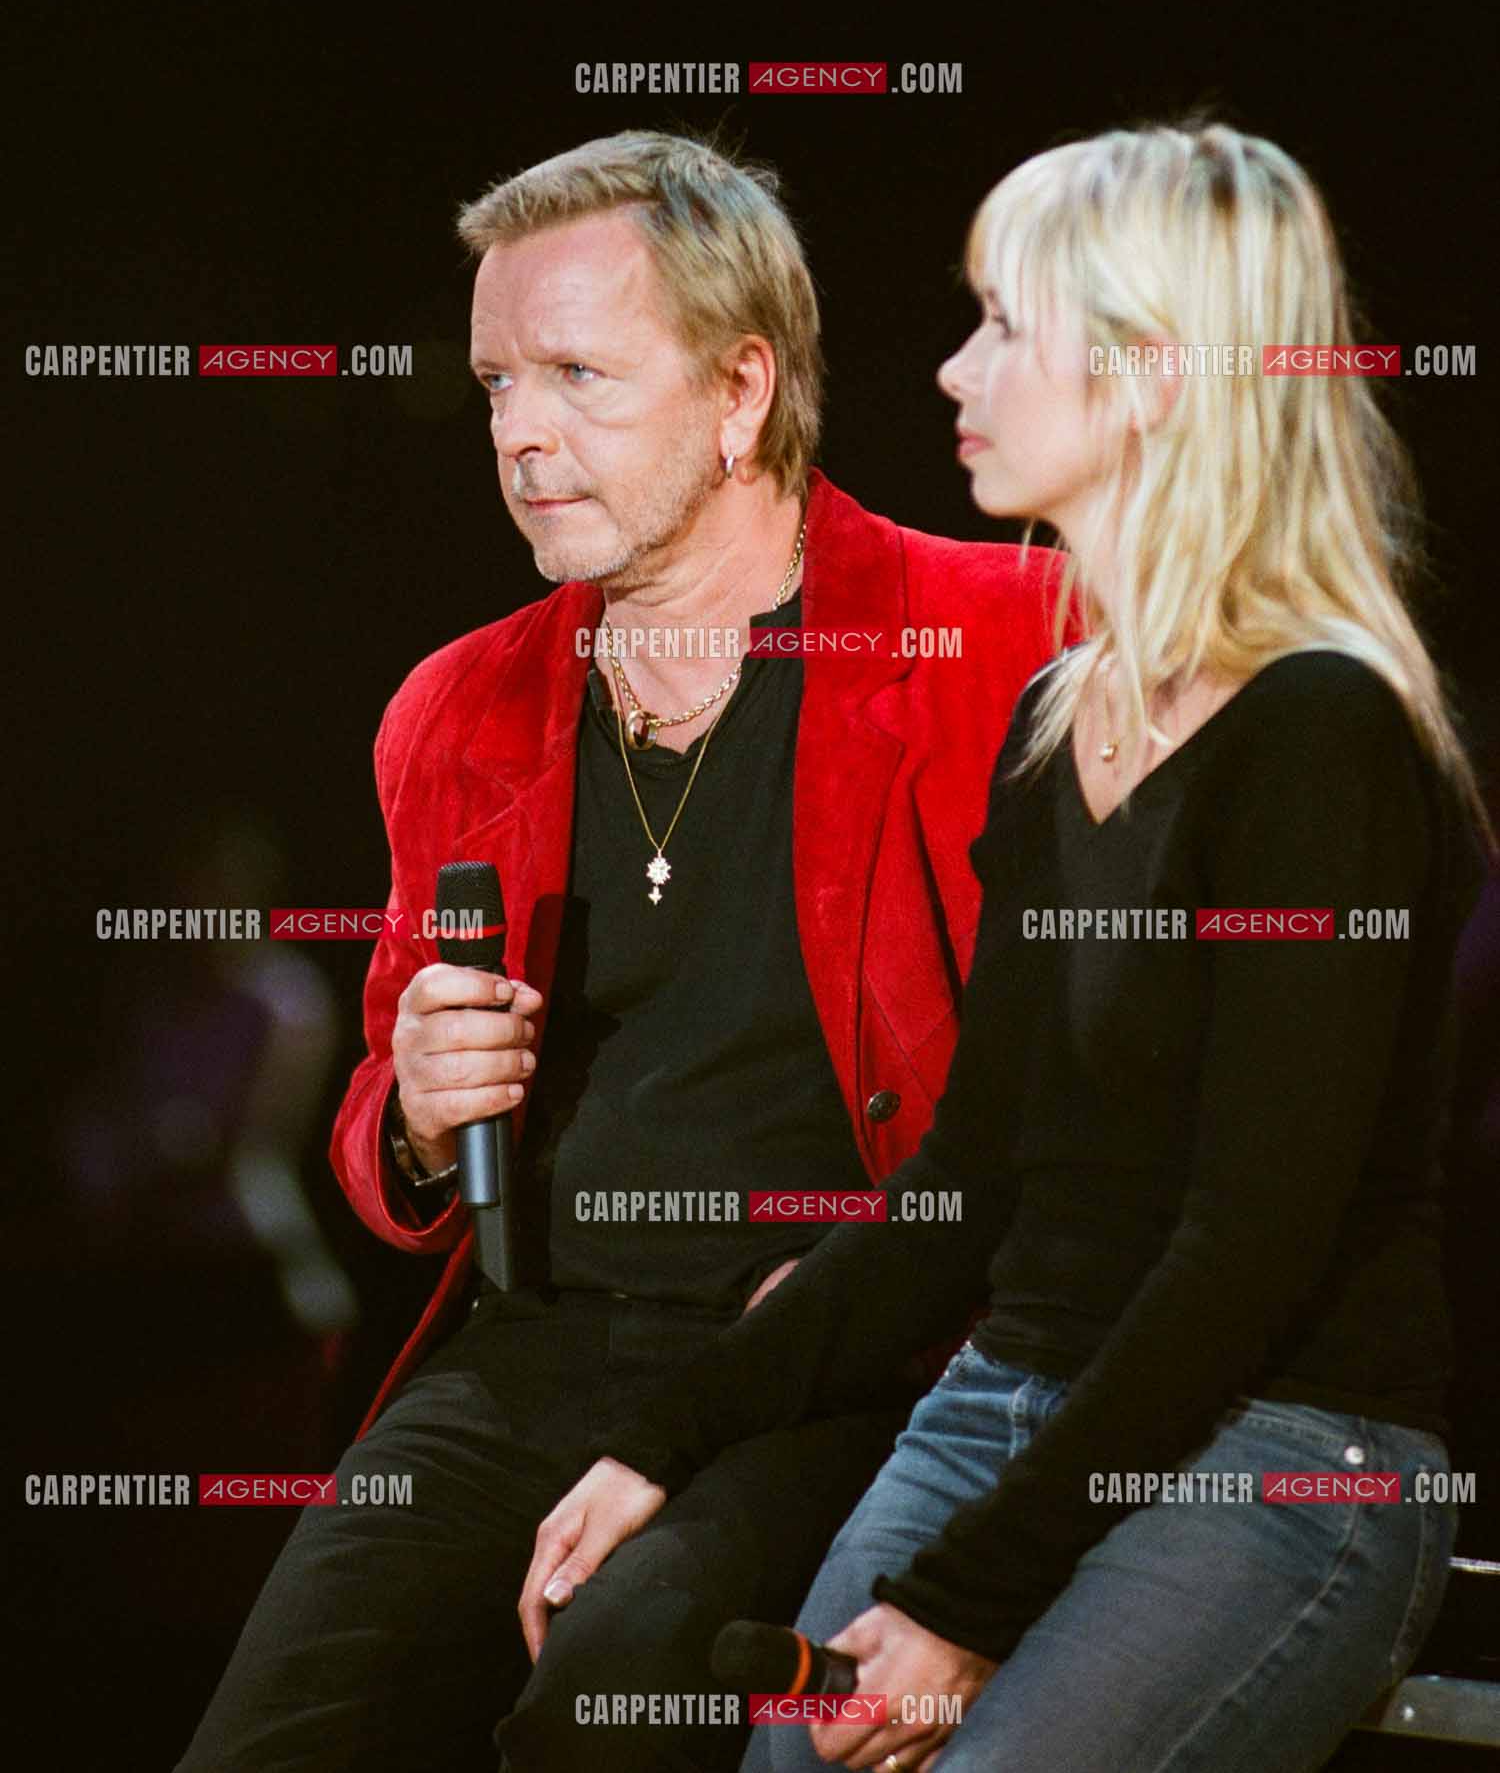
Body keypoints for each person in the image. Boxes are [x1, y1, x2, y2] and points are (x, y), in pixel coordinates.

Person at [521, 120, 1492, 1773]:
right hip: (1014, 1404)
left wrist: (969, 1601)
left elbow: (1248, 1244)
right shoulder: (1062, 719)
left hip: (1281, 1447)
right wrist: (662, 1441)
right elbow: (967, 1185)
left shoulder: (1320, 727)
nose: (955, 370)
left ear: (1152, 374)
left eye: (1004, 327)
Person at [175, 131, 1069, 1772]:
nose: (518, 434)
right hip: (537, 1352)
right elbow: (378, 1138)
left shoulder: (1007, 636)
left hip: (841, 1351)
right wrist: (424, 1116)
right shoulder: (459, 704)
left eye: (577, 373)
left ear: (741, 395)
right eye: (498, 380)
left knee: (615, 1700)